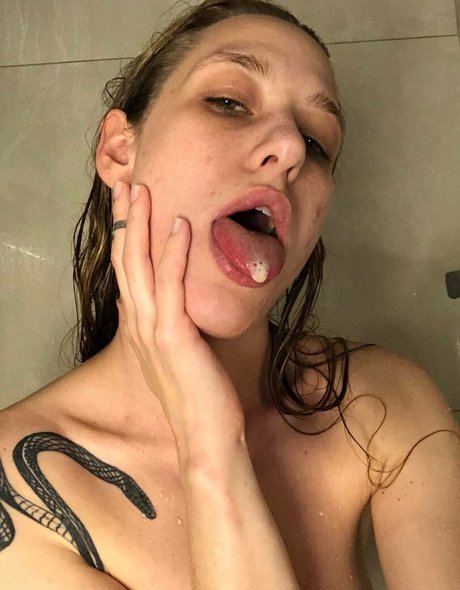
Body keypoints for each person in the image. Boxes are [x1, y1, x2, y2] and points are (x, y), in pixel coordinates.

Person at [0, 0, 458, 588]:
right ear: (119, 150)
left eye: (317, 141)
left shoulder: (384, 402)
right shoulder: (21, 487)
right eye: (228, 102)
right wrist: (209, 446)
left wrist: (212, 445)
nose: (291, 148)